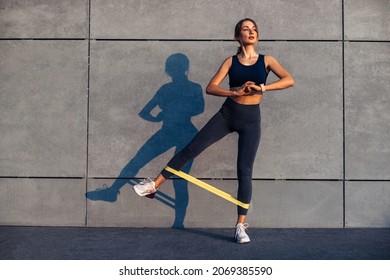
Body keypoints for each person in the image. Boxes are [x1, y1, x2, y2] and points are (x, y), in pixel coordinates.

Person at [133, 18, 294, 243]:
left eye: (254, 29)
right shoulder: (230, 61)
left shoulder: (267, 60)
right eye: (246, 29)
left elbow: (289, 80)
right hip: (227, 114)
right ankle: (154, 186)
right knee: (191, 149)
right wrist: (235, 93)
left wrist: (262, 87)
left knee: (244, 170)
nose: (251, 32)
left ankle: (240, 226)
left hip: (251, 120)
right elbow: (211, 87)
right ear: (238, 36)